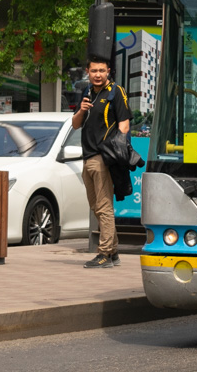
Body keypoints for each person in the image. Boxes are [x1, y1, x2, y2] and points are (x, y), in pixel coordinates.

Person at [70, 56, 130, 269]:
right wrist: (83, 109)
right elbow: (75, 124)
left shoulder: (116, 92)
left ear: (108, 71)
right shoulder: (87, 93)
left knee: (103, 206)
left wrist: (114, 150)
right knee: (96, 206)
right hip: (87, 156)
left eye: (101, 71)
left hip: (103, 157)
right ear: (88, 71)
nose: (97, 74)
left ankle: (104, 253)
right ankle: (113, 251)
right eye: (94, 70)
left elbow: (124, 124)